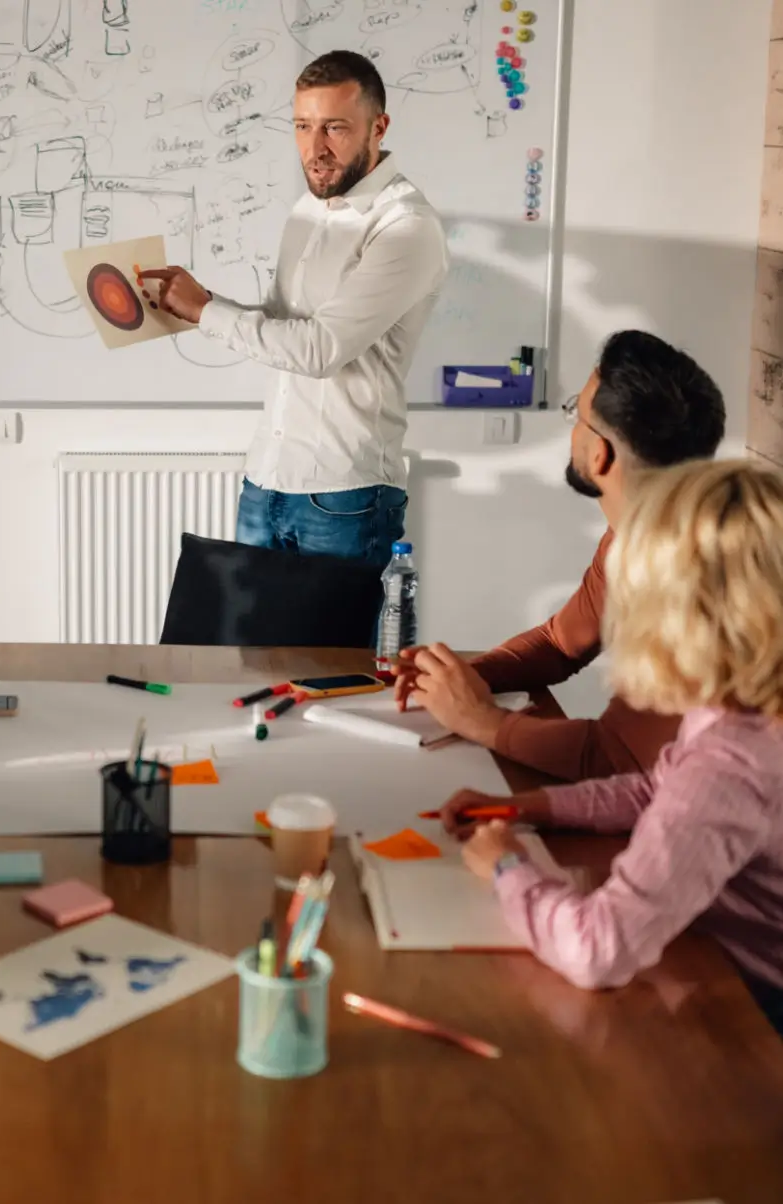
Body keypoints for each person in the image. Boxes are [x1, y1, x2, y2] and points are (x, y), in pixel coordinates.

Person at [441, 459, 783, 1037]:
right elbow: (659, 789)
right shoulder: (744, 714)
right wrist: (531, 806)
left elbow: (598, 949)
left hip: (758, 1018)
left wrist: (507, 867)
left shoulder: (729, 765)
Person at [141, 50, 447, 570]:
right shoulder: (308, 210)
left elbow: (319, 350)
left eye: (334, 128)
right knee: (244, 630)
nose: (314, 148)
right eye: (302, 126)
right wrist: (195, 304)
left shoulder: (405, 226)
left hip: (345, 495)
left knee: (337, 632)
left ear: (378, 127)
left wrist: (207, 311)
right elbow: (283, 323)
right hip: (266, 479)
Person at [396, 330, 726, 781]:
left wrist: (480, 720)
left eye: (576, 414)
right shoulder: (640, 534)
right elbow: (560, 643)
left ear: (600, 454)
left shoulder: (694, 580)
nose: (572, 429)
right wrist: (462, 678)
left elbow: (617, 757)